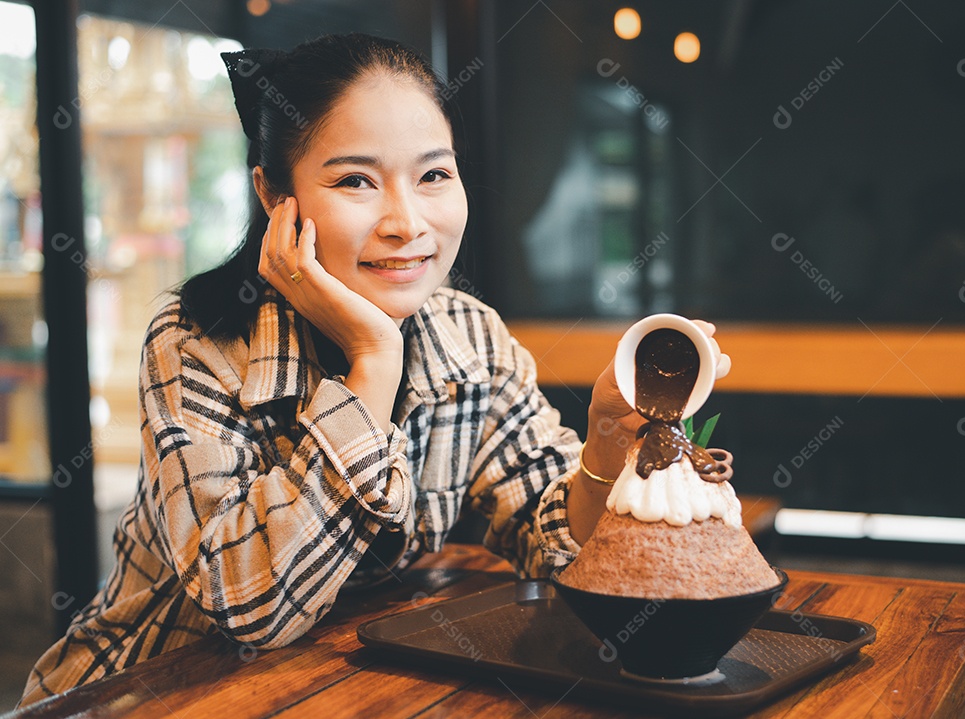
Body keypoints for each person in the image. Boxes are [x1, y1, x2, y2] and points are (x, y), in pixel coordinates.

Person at [20, 32, 721, 706]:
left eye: (434, 175)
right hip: (144, 692)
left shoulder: (468, 334)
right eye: (356, 180)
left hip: (333, 684)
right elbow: (247, 607)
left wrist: (602, 437)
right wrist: (373, 359)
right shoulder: (197, 341)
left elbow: (563, 552)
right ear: (273, 196)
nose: (407, 221)